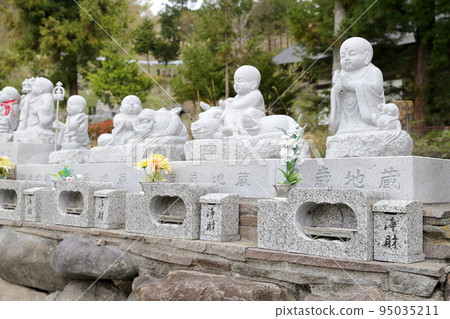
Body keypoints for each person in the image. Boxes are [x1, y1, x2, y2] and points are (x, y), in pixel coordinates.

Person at [329, 37, 385, 135]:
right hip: (346, 121)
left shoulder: (373, 71)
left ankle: (364, 125)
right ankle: (346, 127)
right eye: (343, 56)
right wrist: (338, 87)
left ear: (367, 57)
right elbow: (339, 94)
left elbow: (377, 89)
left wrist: (351, 85)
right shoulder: (343, 74)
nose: (346, 58)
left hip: (366, 119)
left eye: (352, 54)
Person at [218, 65, 266, 136]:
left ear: (253, 84)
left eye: (240, 81)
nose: (236, 84)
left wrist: (229, 102)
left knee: (248, 113)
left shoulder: (256, 95)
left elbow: (239, 105)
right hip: (239, 114)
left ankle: (245, 130)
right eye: (235, 81)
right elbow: (235, 106)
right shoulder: (238, 96)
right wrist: (226, 105)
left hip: (254, 117)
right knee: (230, 116)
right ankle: (231, 129)